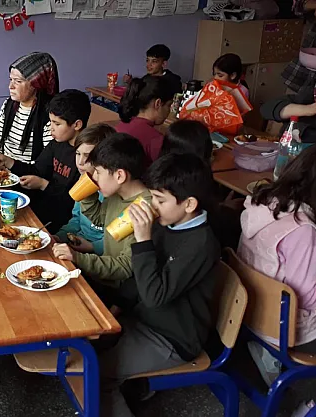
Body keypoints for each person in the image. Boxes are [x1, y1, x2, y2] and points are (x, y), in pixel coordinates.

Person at [96, 152, 220, 417]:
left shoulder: (200, 244)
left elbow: (154, 296)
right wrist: (116, 308)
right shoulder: (169, 223)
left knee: (94, 372)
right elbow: (139, 279)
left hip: (172, 337)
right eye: (153, 197)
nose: (153, 205)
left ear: (189, 204)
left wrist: (143, 240)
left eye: (160, 200)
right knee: (87, 344)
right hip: (143, 320)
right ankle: (132, 385)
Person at [238, 146, 316, 417]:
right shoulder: (304, 230)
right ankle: (308, 405)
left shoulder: (263, 203)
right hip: (283, 327)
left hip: (248, 309)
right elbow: (308, 299)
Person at [52, 133, 150, 292]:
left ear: (119, 175)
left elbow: (125, 266)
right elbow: (99, 219)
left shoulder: (141, 208)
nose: (94, 176)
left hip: (114, 288)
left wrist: (77, 257)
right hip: (100, 273)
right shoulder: (119, 195)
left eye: (97, 171)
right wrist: (87, 190)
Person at [0, 89, 90, 233]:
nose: (51, 129)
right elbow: (37, 170)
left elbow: (73, 200)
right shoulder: (57, 143)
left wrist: (43, 185)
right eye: (50, 122)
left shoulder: (85, 157)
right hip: (38, 210)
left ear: (77, 125)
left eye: (57, 124)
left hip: (59, 222)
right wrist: (8, 161)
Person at [54, 124, 117, 255]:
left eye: (87, 156)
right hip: (77, 245)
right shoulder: (83, 180)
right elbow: (76, 219)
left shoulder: (114, 192)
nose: (80, 162)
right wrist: (59, 237)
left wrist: (91, 247)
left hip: (101, 255)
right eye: (78, 154)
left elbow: (116, 241)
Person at [0, 52, 58, 163]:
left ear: (36, 84)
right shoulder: (8, 105)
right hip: (4, 168)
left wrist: (11, 165)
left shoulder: (49, 115)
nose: (10, 86)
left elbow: (46, 161)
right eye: (11, 80)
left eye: (18, 81)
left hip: (29, 172)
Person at [117, 76, 177, 164]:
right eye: (168, 105)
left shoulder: (122, 124)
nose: (169, 111)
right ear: (158, 103)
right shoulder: (156, 140)